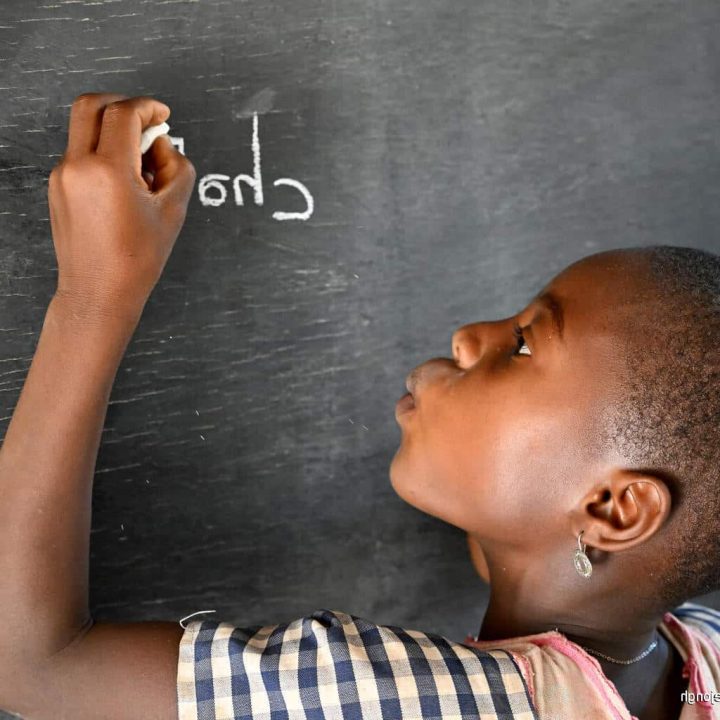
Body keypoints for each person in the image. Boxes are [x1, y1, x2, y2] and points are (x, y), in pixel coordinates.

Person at [0, 93, 718, 720]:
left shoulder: (411, 700)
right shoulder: (702, 660)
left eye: (525, 344)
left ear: (616, 511)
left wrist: (94, 296)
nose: (471, 338)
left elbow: (36, 667)